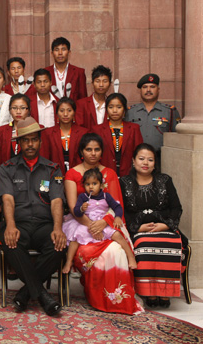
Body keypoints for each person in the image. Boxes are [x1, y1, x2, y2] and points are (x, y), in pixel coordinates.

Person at [64, 133, 143, 315]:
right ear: (81, 152)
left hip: (107, 225)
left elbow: (116, 206)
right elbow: (72, 206)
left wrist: (103, 223)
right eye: (88, 149)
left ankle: (118, 299)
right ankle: (97, 298)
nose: (93, 153)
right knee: (93, 254)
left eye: (97, 149)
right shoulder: (72, 174)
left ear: (102, 152)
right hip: (82, 226)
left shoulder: (109, 174)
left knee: (116, 250)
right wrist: (92, 226)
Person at [0, 117, 66, 316]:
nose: (30, 144)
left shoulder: (53, 169)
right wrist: (10, 225)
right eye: (25, 140)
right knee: (10, 242)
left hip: (45, 224)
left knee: (58, 244)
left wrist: (57, 228)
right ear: (18, 143)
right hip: (18, 223)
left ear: (40, 142)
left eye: (34, 140)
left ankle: (26, 293)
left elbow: (56, 201)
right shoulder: (7, 168)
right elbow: (7, 200)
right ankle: (43, 295)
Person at [120, 143, 186, 308]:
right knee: (144, 243)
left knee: (169, 243)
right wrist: (137, 228)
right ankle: (148, 291)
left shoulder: (165, 180)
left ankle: (165, 292)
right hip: (137, 230)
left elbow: (176, 208)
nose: (145, 163)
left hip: (165, 228)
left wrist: (165, 226)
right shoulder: (124, 182)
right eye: (141, 159)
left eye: (150, 159)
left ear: (155, 163)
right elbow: (122, 212)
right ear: (133, 161)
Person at [62, 168, 137, 274]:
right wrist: (81, 209)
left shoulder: (107, 196)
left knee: (117, 235)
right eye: (87, 184)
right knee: (75, 239)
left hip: (102, 223)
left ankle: (130, 257)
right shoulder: (83, 197)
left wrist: (117, 217)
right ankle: (69, 262)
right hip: (86, 224)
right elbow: (76, 212)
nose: (91, 187)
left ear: (101, 185)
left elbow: (117, 207)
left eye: (94, 183)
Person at [125, 73, 181, 166]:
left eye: (152, 87)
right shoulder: (130, 112)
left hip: (161, 161)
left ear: (158, 89)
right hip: (136, 161)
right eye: (145, 87)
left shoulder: (170, 111)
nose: (148, 90)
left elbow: (177, 139)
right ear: (140, 90)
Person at [92, 93, 143, 177]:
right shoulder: (97, 130)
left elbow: (139, 153)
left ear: (124, 110)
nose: (115, 110)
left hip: (129, 173)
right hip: (104, 174)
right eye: (111, 107)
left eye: (119, 107)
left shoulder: (134, 128)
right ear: (106, 109)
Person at [40, 97, 88, 176]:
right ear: (57, 114)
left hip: (79, 176)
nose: (65, 114)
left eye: (69, 110)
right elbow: (45, 159)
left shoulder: (83, 133)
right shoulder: (48, 133)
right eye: (62, 111)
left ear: (74, 113)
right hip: (54, 176)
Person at [34, 37, 87, 101]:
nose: (60, 53)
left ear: (69, 52)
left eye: (63, 49)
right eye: (56, 50)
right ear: (52, 53)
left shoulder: (79, 72)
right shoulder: (45, 72)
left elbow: (83, 100)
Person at [0, 93, 31, 165]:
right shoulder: (3, 130)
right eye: (14, 108)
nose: (18, 112)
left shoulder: (38, 129)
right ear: (9, 110)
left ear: (29, 110)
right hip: (8, 173)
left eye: (22, 108)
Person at [75, 65, 112, 131]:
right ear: (92, 83)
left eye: (105, 81)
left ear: (110, 84)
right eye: (97, 81)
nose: (101, 85)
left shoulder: (112, 104)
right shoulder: (81, 104)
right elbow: (79, 128)